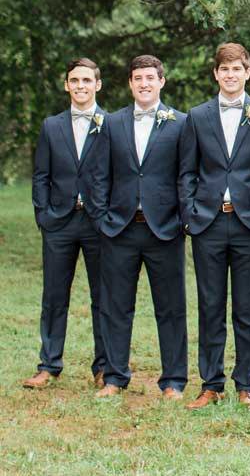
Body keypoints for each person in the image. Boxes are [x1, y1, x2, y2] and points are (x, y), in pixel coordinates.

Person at [88, 55, 188, 400]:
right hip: (120, 229)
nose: (144, 83)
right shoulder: (111, 124)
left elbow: (185, 176)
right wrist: (103, 219)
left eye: (150, 77)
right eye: (138, 78)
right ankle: (115, 377)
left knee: (171, 308)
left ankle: (174, 380)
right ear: (130, 83)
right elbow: (98, 176)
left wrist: (182, 220)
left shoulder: (180, 123)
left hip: (165, 230)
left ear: (162, 81)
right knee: (116, 306)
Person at [179, 43, 250, 410]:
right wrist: (190, 213)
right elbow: (186, 171)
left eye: (238, 69)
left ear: (247, 72)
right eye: (225, 69)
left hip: (249, 222)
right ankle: (210, 384)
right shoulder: (197, 116)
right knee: (210, 305)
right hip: (209, 222)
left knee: (248, 308)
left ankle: (246, 384)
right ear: (216, 73)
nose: (231, 75)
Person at [24, 58, 107, 390]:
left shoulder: (111, 123)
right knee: (54, 296)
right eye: (74, 80)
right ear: (66, 85)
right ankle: (49, 364)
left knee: (104, 297)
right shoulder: (51, 125)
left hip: (98, 223)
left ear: (97, 85)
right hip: (59, 222)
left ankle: (104, 367)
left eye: (87, 80)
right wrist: (43, 215)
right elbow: (41, 175)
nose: (81, 86)